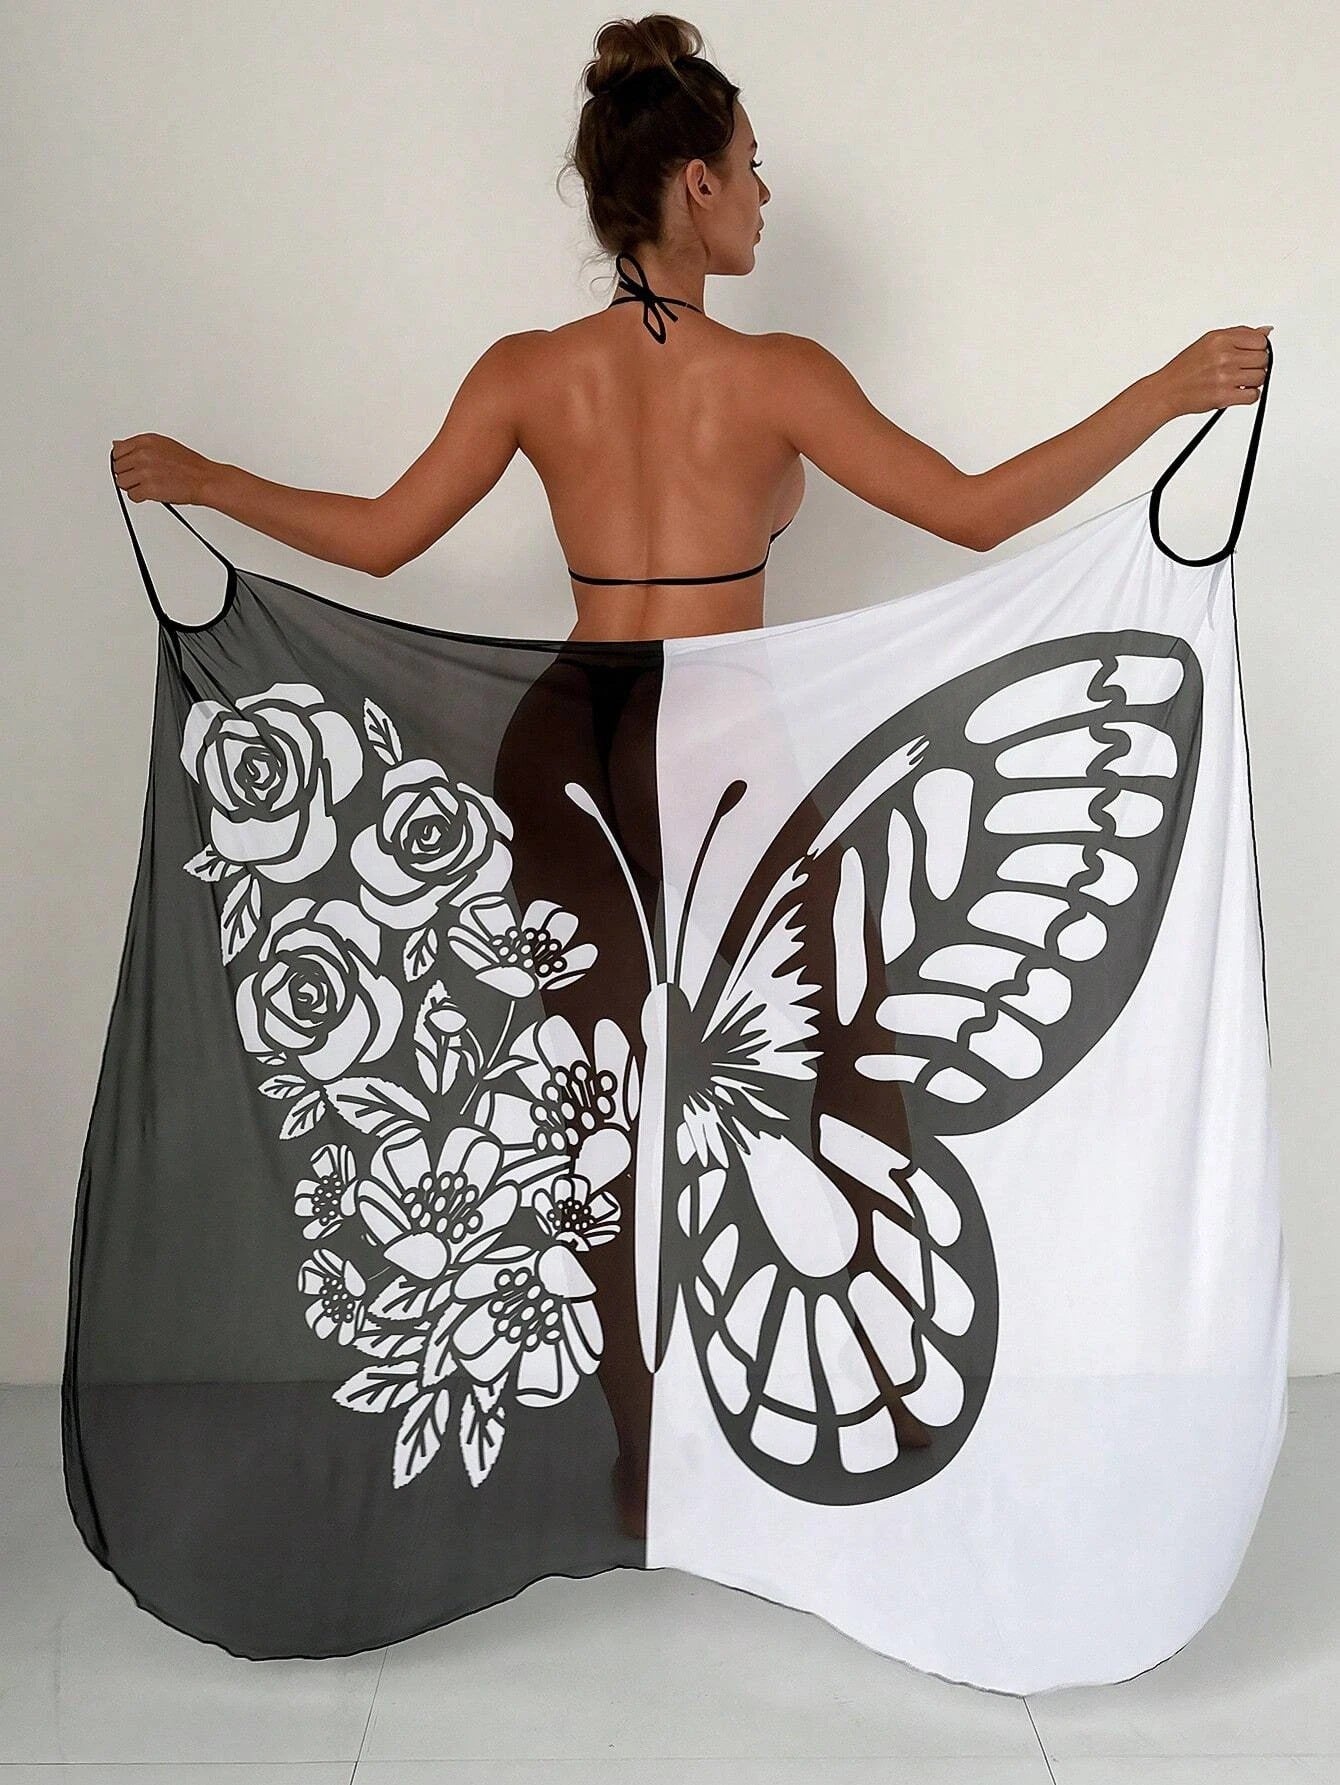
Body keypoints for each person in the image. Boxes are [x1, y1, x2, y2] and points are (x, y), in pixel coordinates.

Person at [108, 13, 1272, 1541]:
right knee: (836, 1072)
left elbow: (382, 538)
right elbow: (980, 512)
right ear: (695, 186)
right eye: (752, 167)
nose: (768, 196)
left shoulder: (530, 373)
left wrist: (206, 482)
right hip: (717, 751)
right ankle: (850, 1405)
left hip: (566, 752)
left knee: (597, 1112)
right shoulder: (777, 376)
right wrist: (1164, 391)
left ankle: (637, 1460)